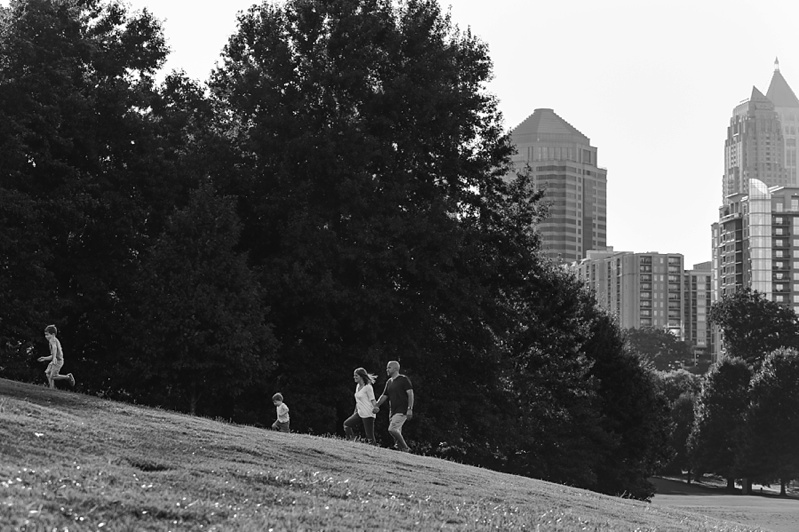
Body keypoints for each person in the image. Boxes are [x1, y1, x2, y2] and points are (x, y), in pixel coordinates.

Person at [373, 360, 414, 452]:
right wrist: (376, 405)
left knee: (392, 429)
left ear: (395, 368)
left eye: (389, 367)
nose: (387, 369)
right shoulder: (389, 382)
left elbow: (410, 394)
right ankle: (400, 450)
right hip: (393, 411)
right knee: (397, 432)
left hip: (402, 410)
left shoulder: (403, 379)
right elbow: (384, 396)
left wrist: (410, 409)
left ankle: (406, 448)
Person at [343, 367, 378, 444]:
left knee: (370, 438)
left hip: (368, 414)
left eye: (356, 376)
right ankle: (352, 442)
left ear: (361, 376)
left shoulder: (368, 387)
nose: (354, 377)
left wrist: (376, 407)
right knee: (347, 425)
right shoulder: (358, 386)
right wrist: (355, 412)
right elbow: (358, 401)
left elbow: (373, 400)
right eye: (354, 375)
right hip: (359, 412)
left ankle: (374, 451)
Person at [37, 324, 75, 389]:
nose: (46, 336)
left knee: (53, 376)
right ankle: (51, 388)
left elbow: (54, 348)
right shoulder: (53, 340)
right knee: (48, 373)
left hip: (58, 361)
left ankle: (68, 377)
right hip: (56, 359)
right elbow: (53, 355)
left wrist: (54, 358)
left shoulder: (52, 340)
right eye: (45, 335)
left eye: (47, 334)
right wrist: (45, 358)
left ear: (53, 335)